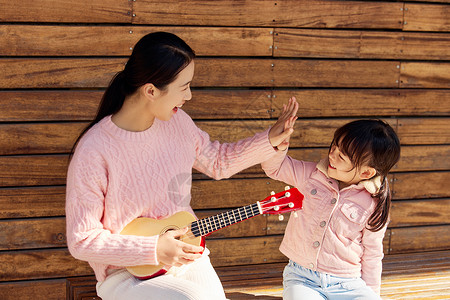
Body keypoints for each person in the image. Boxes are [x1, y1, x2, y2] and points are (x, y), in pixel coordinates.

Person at [65, 31, 298, 300]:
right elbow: (82, 240)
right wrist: (153, 249)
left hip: (186, 253)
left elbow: (218, 161)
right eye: (184, 86)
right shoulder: (94, 149)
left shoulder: (178, 123)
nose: (189, 95)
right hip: (126, 274)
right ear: (151, 90)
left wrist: (269, 140)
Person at [261, 119, 401, 299]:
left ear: (366, 173)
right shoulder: (311, 175)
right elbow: (275, 168)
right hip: (303, 279)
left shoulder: (374, 204)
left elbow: (372, 253)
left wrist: (372, 294)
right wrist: (277, 146)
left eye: (341, 156)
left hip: (348, 283)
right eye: (334, 146)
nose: (332, 155)